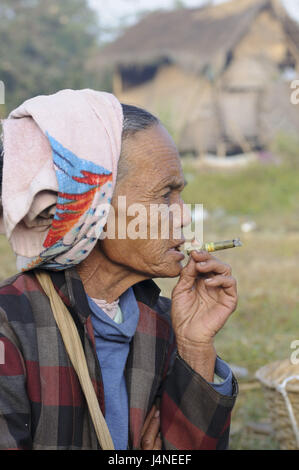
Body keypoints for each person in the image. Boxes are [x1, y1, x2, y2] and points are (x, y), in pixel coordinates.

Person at [0, 89, 238, 450]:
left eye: (180, 194)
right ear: (93, 208)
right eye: (164, 196)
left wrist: (195, 346)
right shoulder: (11, 326)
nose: (185, 216)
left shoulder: (164, 323)